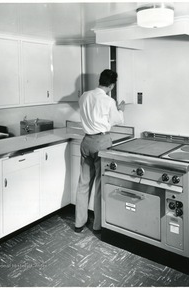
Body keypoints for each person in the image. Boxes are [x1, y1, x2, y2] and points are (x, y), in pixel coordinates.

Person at [75, 69, 125, 233]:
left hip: (86, 141)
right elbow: (117, 120)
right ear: (111, 85)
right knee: (99, 184)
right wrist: (121, 109)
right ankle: (97, 225)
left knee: (83, 184)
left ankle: (79, 223)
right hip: (101, 142)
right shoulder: (109, 100)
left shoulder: (84, 96)